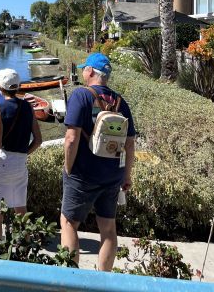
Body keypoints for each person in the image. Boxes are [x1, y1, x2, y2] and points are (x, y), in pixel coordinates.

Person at [60, 52, 136, 271]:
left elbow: (71, 138)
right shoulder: (121, 102)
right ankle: (103, 280)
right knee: (109, 230)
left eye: (85, 68)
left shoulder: (80, 95)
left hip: (83, 174)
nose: (83, 71)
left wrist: (68, 168)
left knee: (68, 223)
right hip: (112, 175)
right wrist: (126, 176)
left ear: (90, 71)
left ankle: (70, 279)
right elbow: (130, 144)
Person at [0, 68, 42, 245]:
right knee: (20, 207)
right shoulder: (27, 106)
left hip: (0, 162)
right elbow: (38, 140)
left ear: (0, 87)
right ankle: (23, 245)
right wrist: (24, 153)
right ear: (17, 87)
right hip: (19, 162)